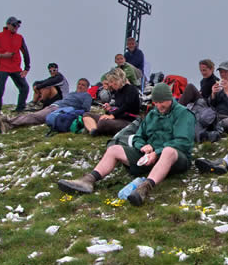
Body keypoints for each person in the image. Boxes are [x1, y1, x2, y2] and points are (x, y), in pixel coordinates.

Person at [57, 83, 195, 207]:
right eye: (156, 103)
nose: (159, 106)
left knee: (168, 151)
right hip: (150, 157)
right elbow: (139, 136)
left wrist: (156, 152)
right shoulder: (152, 115)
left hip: (175, 159)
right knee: (114, 149)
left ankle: (144, 188)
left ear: (170, 99)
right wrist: (143, 146)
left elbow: (182, 142)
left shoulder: (183, 114)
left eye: (162, 102)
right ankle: (88, 180)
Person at [0, 78, 92, 132]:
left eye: (83, 85)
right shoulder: (71, 93)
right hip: (54, 105)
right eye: (79, 84)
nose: (80, 86)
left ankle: (9, 122)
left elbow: (86, 108)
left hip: (60, 109)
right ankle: (7, 123)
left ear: (87, 88)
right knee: (35, 116)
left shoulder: (86, 95)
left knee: (35, 116)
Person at [0, 16, 31, 114]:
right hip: (2, 67)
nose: (16, 27)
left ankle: (20, 109)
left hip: (15, 67)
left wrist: (27, 68)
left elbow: (25, 52)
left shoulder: (19, 37)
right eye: (14, 25)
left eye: (18, 26)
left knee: (24, 87)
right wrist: (2, 55)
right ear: (8, 25)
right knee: (0, 89)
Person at [82, 69, 140, 136]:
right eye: (110, 82)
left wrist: (112, 115)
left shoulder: (131, 89)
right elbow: (118, 108)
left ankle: (94, 127)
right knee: (87, 114)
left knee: (103, 122)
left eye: (112, 81)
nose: (111, 84)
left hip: (128, 121)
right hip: (117, 119)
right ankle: (94, 130)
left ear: (119, 80)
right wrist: (110, 109)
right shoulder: (117, 92)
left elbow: (127, 106)